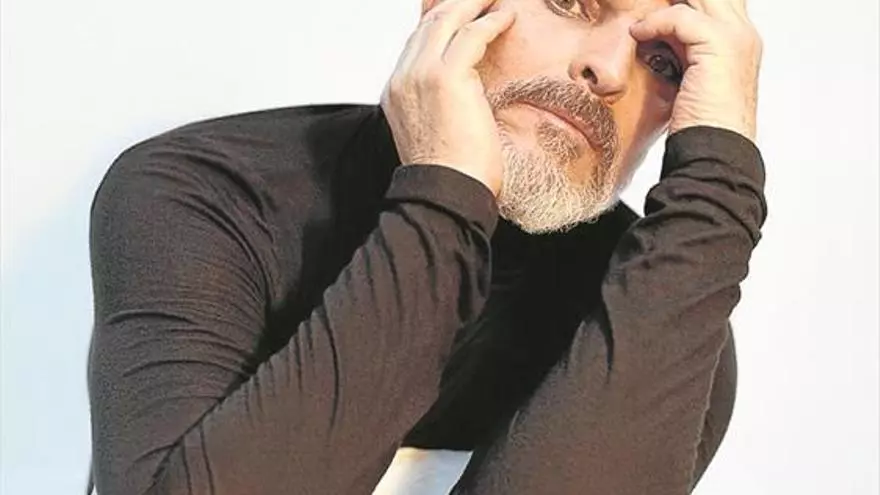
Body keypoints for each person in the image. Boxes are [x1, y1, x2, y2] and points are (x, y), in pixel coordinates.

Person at [86, 0, 766, 493]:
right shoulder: (208, 192)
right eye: (569, 2)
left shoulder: (666, 310)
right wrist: (446, 194)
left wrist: (717, 194)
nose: (608, 69)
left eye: (664, 63)